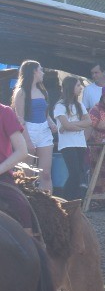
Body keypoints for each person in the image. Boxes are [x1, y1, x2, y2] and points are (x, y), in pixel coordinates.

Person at [11, 60, 56, 196]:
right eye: (40, 70)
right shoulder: (22, 92)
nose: (42, 73)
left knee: (46, 173)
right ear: (34, 71)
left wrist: (51, 122)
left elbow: (45, 113)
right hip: (28, 131)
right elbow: (20, 119)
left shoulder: (42, 90)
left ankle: (48, 203)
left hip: (44, 131)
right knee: (27, 174)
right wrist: (28, 141)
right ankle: (27, 203)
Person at [52, 75, 91, 200]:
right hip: (68, 144)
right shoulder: (60, 106)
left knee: (80, 173)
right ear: (71, 87)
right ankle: (67, 199)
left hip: (80, 143)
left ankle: (75, 200)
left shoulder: (79, 105)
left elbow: (88, 122)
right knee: (74, 172)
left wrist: (72, 125)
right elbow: (66, 126)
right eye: (78, 85)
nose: (81, 88)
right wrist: (76, 126)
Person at [0, 98, 36, 230]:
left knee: (20, 207)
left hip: (2, 177)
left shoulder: (5, 112)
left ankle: (32, 247)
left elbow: (22, 151)